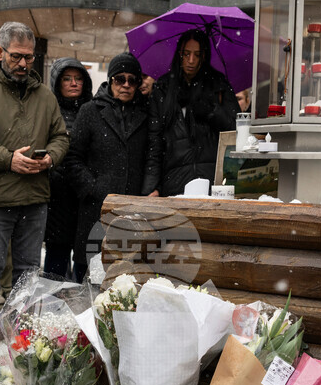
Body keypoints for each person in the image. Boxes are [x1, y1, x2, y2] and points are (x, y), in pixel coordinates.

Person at [0, 21, 69, 352]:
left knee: (29, 272)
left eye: (29, 58)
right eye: (17, 56)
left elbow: (61, 136)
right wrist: (8, 159)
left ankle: (24, 332)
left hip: (35, 197)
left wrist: (51, 159)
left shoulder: (44, 95)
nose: (23, 64)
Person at [67, 53, 156, 282]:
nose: (126, 85)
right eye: (119, 79)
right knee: (88, 277)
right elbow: (73, 158)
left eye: (132, 80)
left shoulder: (147, 114)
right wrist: (93, 188)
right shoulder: (90, 111)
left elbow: (152, 156)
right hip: (95, 209)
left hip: (132, 209)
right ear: (110, 81)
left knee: (126, 280)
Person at [146, 29, 240, 196]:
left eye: (197, 55)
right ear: (179, 54)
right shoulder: (164, 88)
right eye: (186, 54)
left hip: (212, 181)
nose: (191, 60)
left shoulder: (218, 85)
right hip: (174, 181)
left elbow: (236, 131)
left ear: (204, 56)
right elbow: (155, 140)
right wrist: (152, 186)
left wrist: (212, 112)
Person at [43, 57, 92, 278]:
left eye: (78, 78)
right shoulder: (48, 113)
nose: (74, 83)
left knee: (84, 260)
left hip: (84, 197)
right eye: (67, 79)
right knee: (56, 262)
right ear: (57, 82)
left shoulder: (93, 112)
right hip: (57, 197)